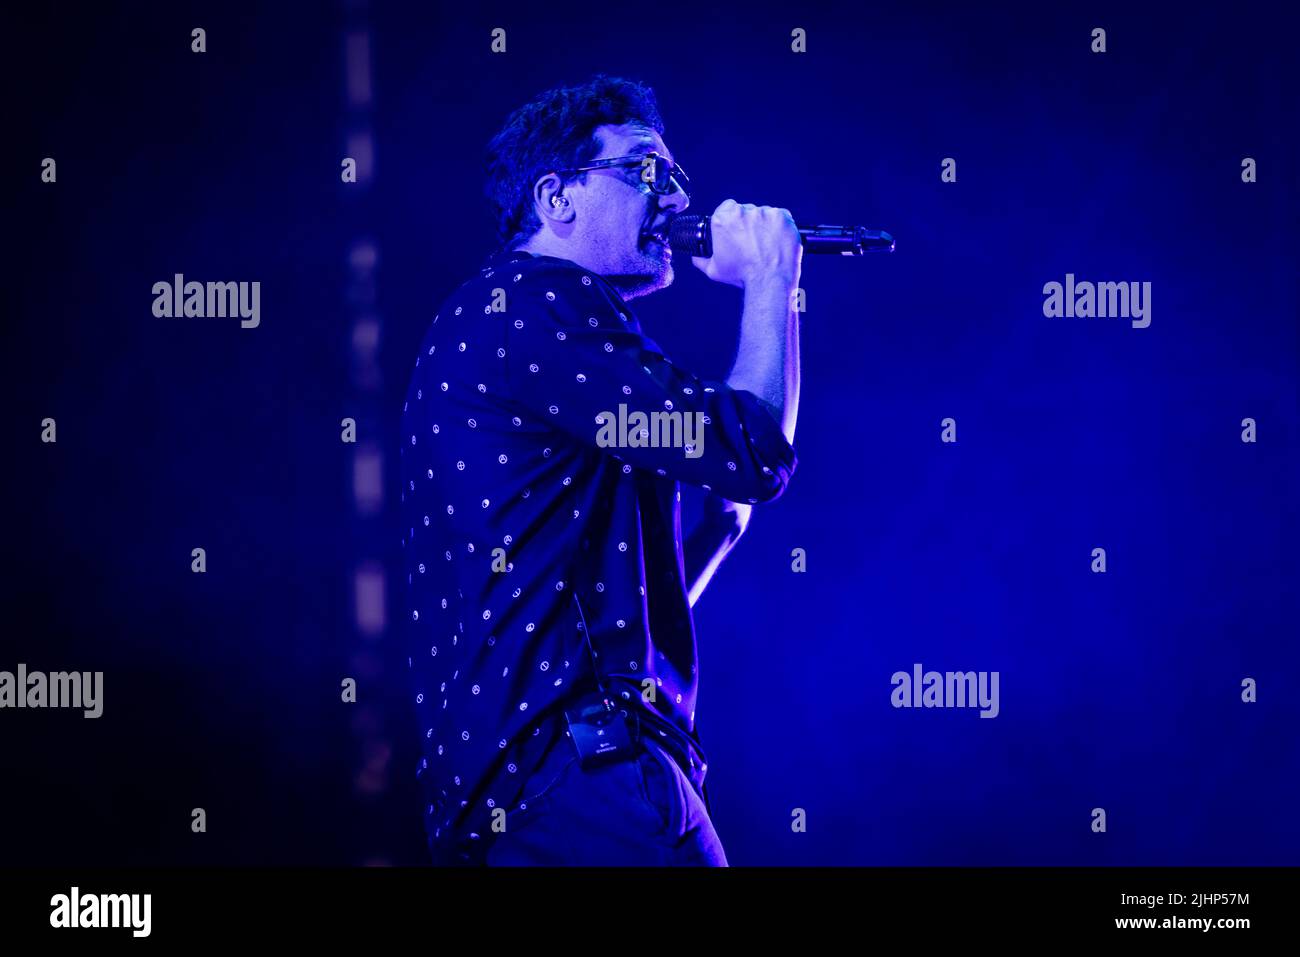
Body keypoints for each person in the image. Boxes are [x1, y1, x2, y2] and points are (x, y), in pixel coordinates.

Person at [399, 74, 801, 865]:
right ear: (558, 198)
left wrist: (710, 538)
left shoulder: (498, 323)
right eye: (647, 170)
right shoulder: (542, 299)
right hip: (588, 783)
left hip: (514, 802)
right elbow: (755, 450)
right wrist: (771, 282)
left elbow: (570, 607)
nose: (679, 199)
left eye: (677, 176)